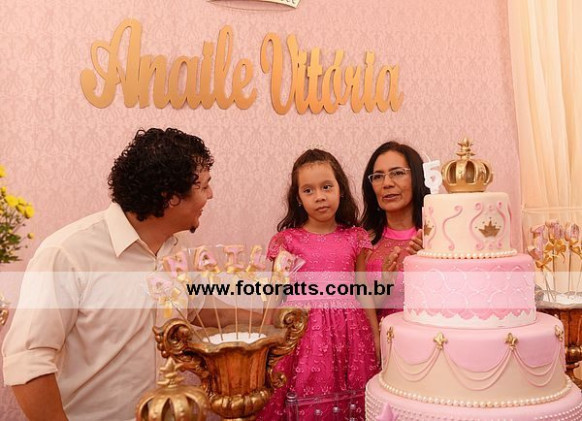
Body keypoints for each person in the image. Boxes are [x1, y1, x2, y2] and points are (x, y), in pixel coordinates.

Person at [2, 128, 214, 421]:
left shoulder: (177, 248)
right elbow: (28, 361)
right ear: (169, 196)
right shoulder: (68, 253)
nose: (210, 195)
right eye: (204, 186)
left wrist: (273, 314)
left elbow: (198, 309)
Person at [257, 149, 379, 421]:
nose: (320, 196)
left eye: (326, 187)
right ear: (298, 198)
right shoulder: (287, 241)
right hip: (303, 335)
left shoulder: (355, 237)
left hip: (351, 334)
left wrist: (375, 336)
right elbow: (275, 294)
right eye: (308, 190)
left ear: (340, 189)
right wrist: (264, 340)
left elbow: (363, 290)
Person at [361, 141, 429, 321]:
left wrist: (431, 262)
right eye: (378, 176)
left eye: (397, 173)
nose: (387, 183)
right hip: (379, 337)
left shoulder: (437, 239)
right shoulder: (362, 242)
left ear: (417, 177)